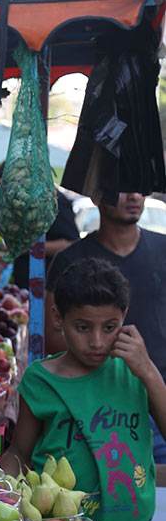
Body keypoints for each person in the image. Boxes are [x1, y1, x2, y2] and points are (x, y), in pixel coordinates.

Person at [0, 259, 166, 521]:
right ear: (57, 318)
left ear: (124, 318)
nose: (97, 342)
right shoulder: (40, 380)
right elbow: (20, 453)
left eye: (110, 327)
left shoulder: (135, 370)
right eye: (83, 327)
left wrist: (148, 371)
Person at [45, 192, 166, 463]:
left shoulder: (162, 248)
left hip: (158, 399)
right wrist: (103, 347)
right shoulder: (69, 259)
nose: (134, 195)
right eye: (121, 187)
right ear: (98, 196)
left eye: (139, 187)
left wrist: (146, 368)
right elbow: (50, 336)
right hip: (93, 409)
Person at [0, 160, 79, 289]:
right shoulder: (21, 203)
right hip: (24, 288)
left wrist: (25, 247)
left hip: (48, 288)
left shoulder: (54, 201)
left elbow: (69, 244)